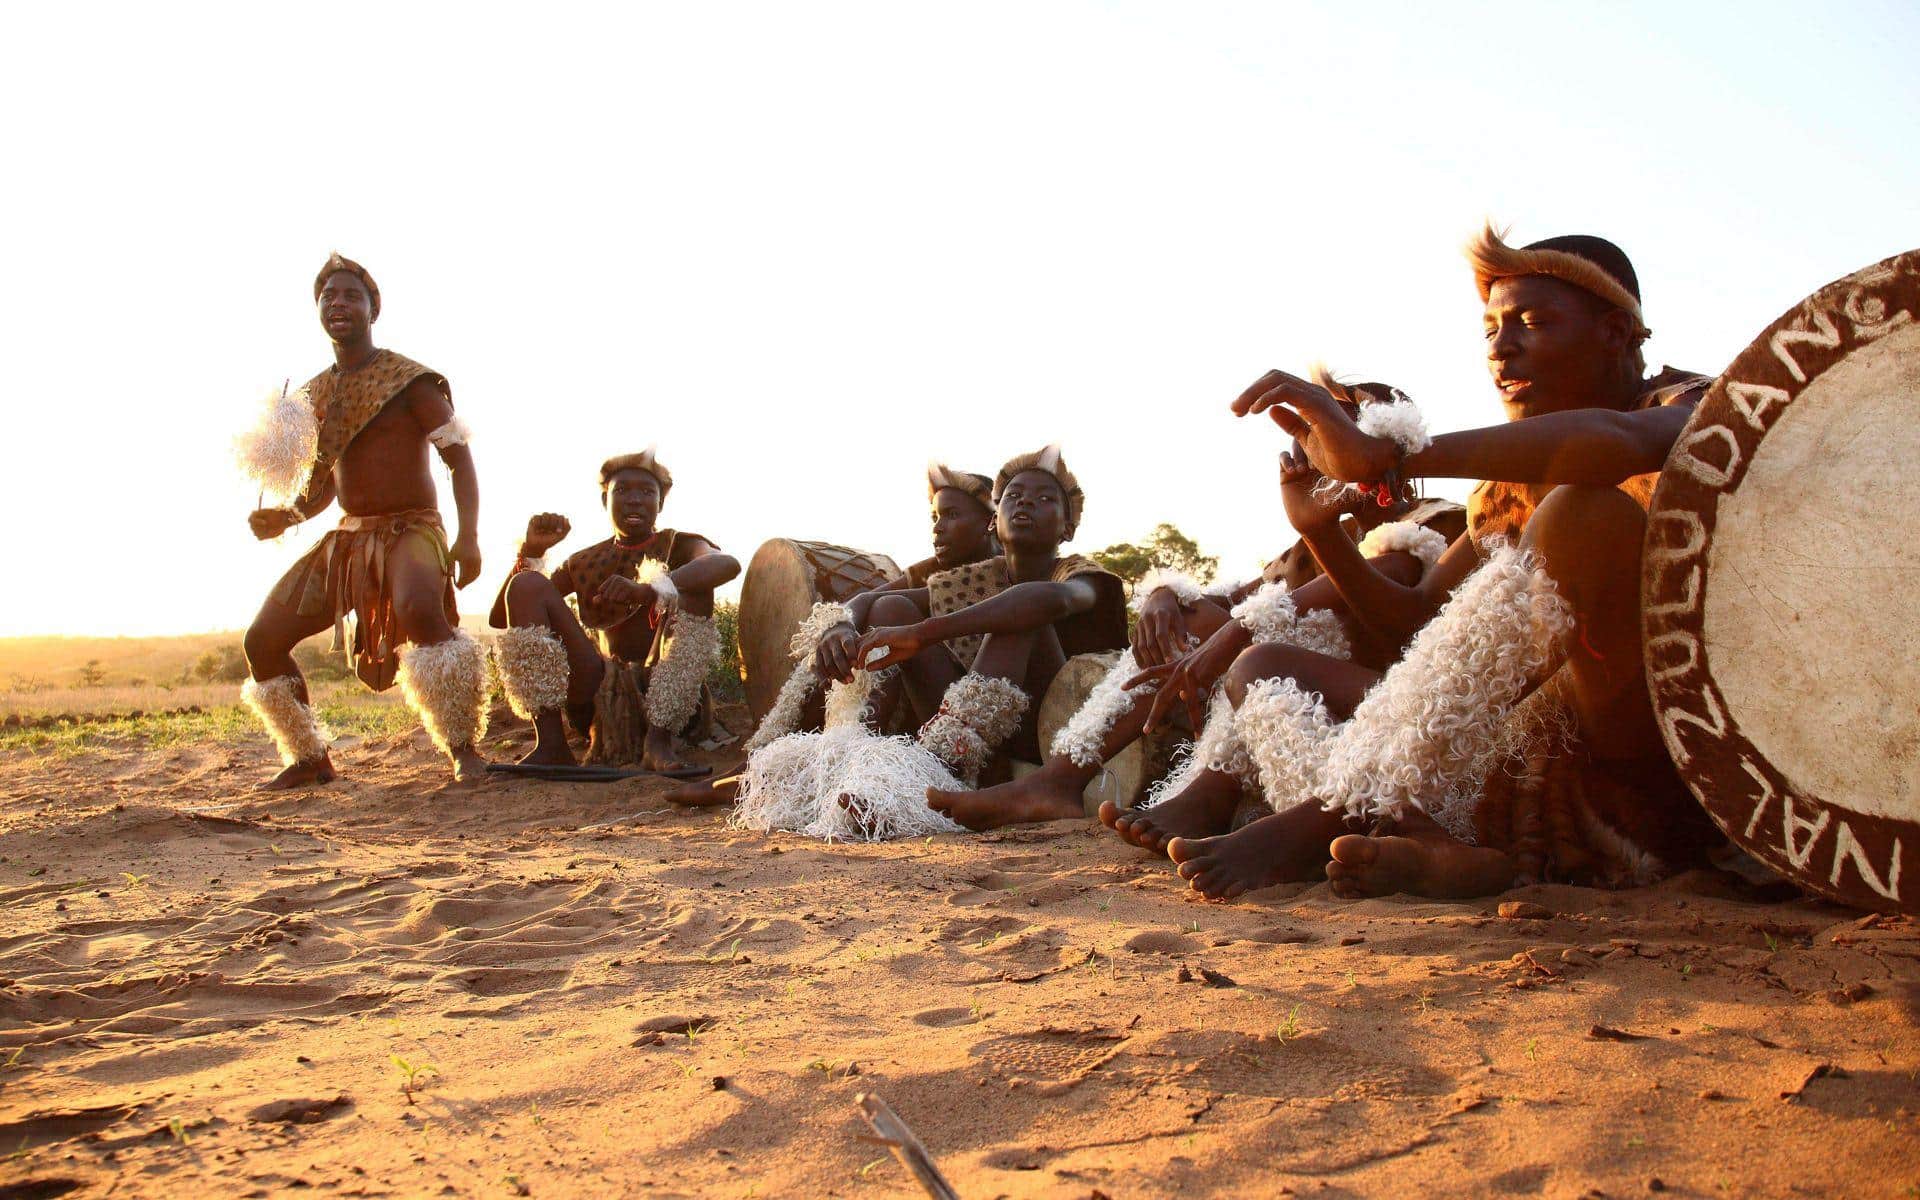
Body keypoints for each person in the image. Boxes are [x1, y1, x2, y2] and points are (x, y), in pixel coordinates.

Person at [1155, 225, 1725, 900]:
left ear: (1616, 333)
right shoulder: (1503, 488)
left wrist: (1390, 457)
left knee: (1583, 512)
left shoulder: (1689, 404)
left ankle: (1332, 813)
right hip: (1514, 746)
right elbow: (1418, 618)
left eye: (1534, 323)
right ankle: (1428, 838)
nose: (1502, 348)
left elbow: (1620, 440)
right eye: (1491, 330)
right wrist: (1321, 533)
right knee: (1264, 667)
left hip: (1645, 755)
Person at [941, 374, 1464, 831]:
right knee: (1191, 616)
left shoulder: (1435, 518)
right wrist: (1165, 595)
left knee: (1283, 629)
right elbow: (1236, 595)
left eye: (1325, 442)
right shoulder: (1315, 544)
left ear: (1380, 446)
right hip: (1284, 694)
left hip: (1381, 704)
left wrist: (1238, 631)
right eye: (1305, 447)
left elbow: (1386, 579)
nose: (1309, 459)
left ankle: (1206, 797)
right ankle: (1060, 778)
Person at [734, 445, 1129, 840]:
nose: (1025, 501)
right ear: (995, 521)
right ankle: (859, 756)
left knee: (1022, 614)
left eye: (1045, 499)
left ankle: (938, 775)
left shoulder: (1080, 574)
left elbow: (1050, 599)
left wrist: (922, 633)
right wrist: (839, 626)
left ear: (1067, 528)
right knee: (892, 608)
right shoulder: (977, 577)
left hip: (1055, 737)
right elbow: (870, 600)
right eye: (1013, 495)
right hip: (985, 736)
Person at [240, 253, 486, 788]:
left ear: (374, 309)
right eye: (329, 296)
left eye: (352, 295)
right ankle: (309, 758)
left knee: (420, 610)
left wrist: (468, 536)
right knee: (262, 640)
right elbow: (323, 486)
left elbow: (459, 460)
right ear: (318, 310)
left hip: (413, 529)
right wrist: (286, 517)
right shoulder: (315, 397)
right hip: (350, 538)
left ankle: (464, 749)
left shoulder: (410, 381)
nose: (339, 304)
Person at [668, 464, 999, 807]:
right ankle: (771, 761)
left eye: (952, 515)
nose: (938, 527)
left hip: (969, 721)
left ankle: (849, 756)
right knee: (844, 636)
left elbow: (895, 602)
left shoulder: (1001, 571)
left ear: (990, 521)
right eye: (934, 517)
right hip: (924, 709)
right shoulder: (931, 569)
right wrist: (840, 626)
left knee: (891, 610)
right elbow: (863, 599)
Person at [488, 448, 739, 772]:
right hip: (600, 705)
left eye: (647, 492)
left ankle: (658, 743)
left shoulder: (679, 545)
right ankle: (551, 744)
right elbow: (504, 616)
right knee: (527, 584)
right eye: (622, 490)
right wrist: (531, 552)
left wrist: (651, 589)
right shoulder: (583, 562)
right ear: (604, 500)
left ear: (661, 503)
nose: (634, 500)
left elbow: (726, 564)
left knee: (696, 585)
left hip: (671, 704)